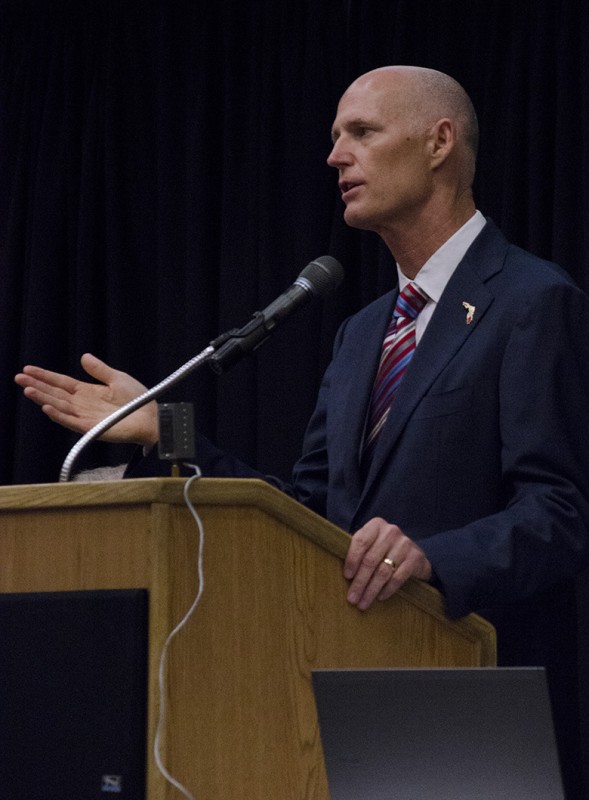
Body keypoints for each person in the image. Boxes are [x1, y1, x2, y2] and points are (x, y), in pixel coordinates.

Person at [15, 66, 589, 797]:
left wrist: (430, 558)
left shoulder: (532, 301)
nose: (335, 156)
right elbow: (305, 515)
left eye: (361, 132)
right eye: (333, 137)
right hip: (345, 698)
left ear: (439, 141)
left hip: (470, 691)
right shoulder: (360, 335)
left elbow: (561, 514)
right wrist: (167, 429)